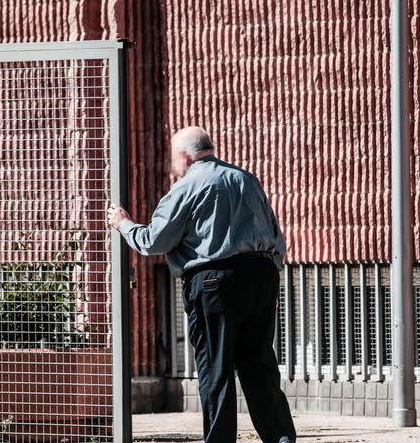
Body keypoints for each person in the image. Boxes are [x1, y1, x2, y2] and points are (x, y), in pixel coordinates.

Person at [108, 126, 296, 443]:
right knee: (259, 365)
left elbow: (154, 240)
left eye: (172, 160)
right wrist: (270, 282)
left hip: (214, 282)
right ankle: (281, 438)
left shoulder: (186, 188)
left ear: (184, 156)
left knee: (215, 367)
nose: (171, 167)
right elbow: (275, 236)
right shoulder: (246, 180)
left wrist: (123, 223)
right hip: (262, 275)